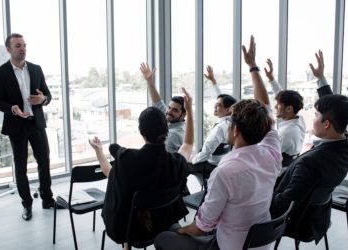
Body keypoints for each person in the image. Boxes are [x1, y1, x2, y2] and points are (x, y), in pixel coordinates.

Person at [154, 35, 282, 250]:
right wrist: (252, 67)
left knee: (163, 239)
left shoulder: (226, 172)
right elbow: (266, 109)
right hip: (261, 243)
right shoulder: (271, 153)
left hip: (228, 246)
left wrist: (180, 230)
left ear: (236, 130)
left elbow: (202, 227)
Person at [270, 50, 348, 243]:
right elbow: (338, 112)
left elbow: (281, 205)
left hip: (297, 222)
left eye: (317, 115)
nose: (313, 118)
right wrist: (321, 79)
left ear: (327, 124)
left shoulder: (311, 163)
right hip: (318, 217)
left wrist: (259, 193)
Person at [89, 88, 194, 248]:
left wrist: (99, 151)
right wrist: (190, 110)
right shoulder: (176, 162)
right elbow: (188, 144)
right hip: (164, 221)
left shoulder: (127, 159)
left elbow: (109, 173)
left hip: (133, 230)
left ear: (141, 131)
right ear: (166, 130)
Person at [0, 33, 56, 221]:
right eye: (18, 45)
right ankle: (27, 205)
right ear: (9, 49)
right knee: (21, 168)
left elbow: (48, 95)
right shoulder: (0, 72)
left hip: (36, 124)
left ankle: (48, 200)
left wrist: (43, 99)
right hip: (16, 125)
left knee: (44, 162)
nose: (23, 48)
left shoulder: (36, 69)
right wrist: (13, 109)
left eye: (24, 45)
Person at [189, 66, 237, 179]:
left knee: (183, 165)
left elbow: (206, 152)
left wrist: (193, 160)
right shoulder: (233, 122)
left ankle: (184, 194)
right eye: (215, 105)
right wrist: (213, 82)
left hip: (211, 166)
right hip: (222, 163)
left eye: (218, 106)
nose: (215, 107)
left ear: (228, 109)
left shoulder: (220, 128)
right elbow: (223, 99)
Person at [264, 59, 306, 167]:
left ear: (289, 109)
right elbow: (281, 94)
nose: (275, 107)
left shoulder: (286, 133)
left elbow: (265, 157)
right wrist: (271, 78)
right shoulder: (298, 118)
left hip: (276, 175)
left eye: (278, 105)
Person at [140, 63, 185, 153]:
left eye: (175, 110)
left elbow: (160, 160)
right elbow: (158, 102)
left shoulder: (173, 135)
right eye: (169, 107)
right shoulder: (172, 118)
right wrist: (149, 81)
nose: (169, 112)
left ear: (183, 115)